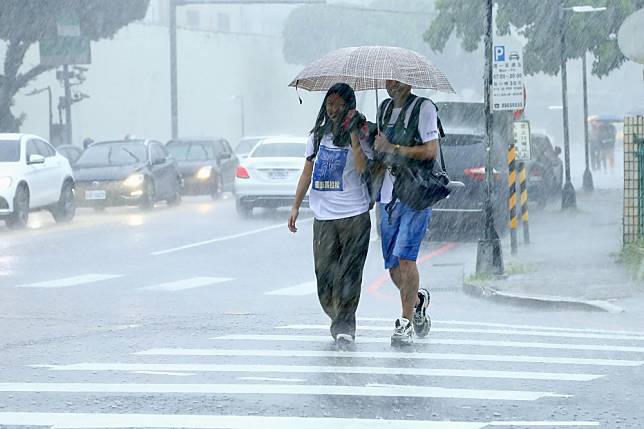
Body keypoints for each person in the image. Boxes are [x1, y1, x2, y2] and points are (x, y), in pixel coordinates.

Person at [288, 83, 372, 349]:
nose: (333, 110)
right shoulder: (317, 137)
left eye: (338, 104)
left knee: (349, 274)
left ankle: (345, 325)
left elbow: (363, 169)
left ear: (350, 106)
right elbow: (307, 172)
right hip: (324, 217)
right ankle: (338, 315)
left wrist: (355, 137)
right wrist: (295, 206)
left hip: (355, 215)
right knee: (324, 275)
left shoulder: (361, 133)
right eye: (329, 104)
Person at [374, 79, 438, 347]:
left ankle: (404, 323)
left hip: (414, 195)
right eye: (389, 80)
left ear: (409, 81)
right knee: (392, 267)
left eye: (399, 80)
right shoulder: (384, 109)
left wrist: (394, 149)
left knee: (405, 259)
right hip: (386, 198)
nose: (393, 85)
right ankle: (418, 301)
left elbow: (431, 150)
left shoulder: (424, 108)